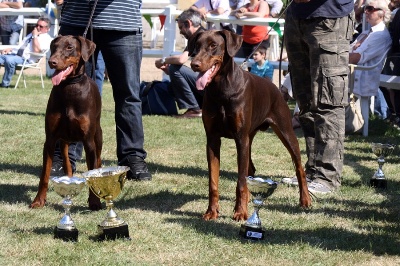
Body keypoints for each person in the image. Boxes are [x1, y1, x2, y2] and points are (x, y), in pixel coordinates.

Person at [51, 0, 152, 181]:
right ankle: (64, 157)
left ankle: (132, 157)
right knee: (67, 93)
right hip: (76, 20)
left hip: (123, 22)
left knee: (128, 94)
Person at [281, 0, 354, 194]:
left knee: (328, 98)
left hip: (330, 19)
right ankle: (312, 171)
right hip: (295, 16)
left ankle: (327, 177)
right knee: (304, 99)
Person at [154, 9, 205, 118]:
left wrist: (164, 60)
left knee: (175, 68)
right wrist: (168, 71)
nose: (181, 32)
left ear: (188, 23)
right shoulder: (197, 36)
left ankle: (194, 110)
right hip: (209, 85)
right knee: (173, 81)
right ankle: (199, 107)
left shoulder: (201, 37)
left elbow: (181, 60)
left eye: (181, 27)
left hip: (212, 87)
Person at [350, 0, 392, 133]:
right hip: (352, 70)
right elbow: (350, 52)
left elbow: (356, 58)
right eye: (364, 9)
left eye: (370, 9)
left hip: (361, 74)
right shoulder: (365, 33)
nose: (366, 12)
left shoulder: (380, 35)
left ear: (382, 13)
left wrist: (333, 58)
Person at [0, 17, 52, 88]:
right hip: (16, 55)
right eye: (37, 25)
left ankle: (5, 84)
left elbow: (36, 51)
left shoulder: (47, 39)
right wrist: (11, 49)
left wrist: (34, 36)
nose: (37, 27)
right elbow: (22, 46)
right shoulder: (31, 34)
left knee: (9, 60)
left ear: (47, 29)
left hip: (26, 60)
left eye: (41, 26)